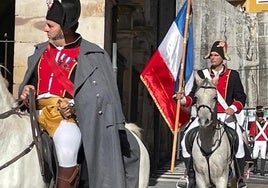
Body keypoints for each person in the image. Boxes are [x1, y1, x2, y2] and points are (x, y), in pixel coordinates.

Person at [18, 0, 140, 187]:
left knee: (67, 145)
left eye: (50, 25)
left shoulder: (92, 55)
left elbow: (101, 97)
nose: (45, 29)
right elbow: (31, 82)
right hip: (35, 114)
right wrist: (26, 90)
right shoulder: (40, 52)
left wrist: (73, 107)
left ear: (65, 28)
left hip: (65, 118)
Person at [174, 40, 247, 188]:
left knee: (238, 140)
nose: (212, 58)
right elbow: (192, 97)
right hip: (203, 114)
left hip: (224, 115)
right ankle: (189, 176)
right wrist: (182, 100)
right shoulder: (201, 75)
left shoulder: (233, 75)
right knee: (184, 139)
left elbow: (241, 98)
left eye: (215, 55)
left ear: (223, 57)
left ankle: (239, 178)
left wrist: (233, 107)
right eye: (211, 55)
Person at [249, 105, 268, 176]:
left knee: (263, 155)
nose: (260, 118)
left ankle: (262, 171)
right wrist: (251, 136)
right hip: (256, 141)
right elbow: (251, 131)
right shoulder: (254, 123)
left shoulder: (266, 123)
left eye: (261, 116)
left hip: (264, 141)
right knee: (254, 155)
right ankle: (255, 167)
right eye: (259, 116)